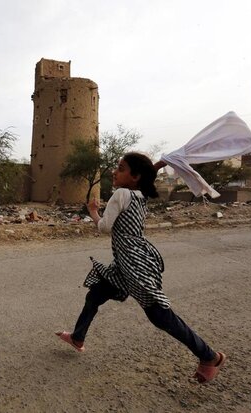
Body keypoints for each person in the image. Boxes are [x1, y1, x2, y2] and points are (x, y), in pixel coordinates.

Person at [55, 152, 226, 384]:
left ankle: (209, 356)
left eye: (121, 168)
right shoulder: (139, 193)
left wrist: (93, 212)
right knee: (95, 294)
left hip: (132, 264)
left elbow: (105, 228)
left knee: (159, 315)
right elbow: (146, 176)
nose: (115, 171)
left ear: (135, 176)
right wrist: (161, 163)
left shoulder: (122, 193)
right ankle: (78, 337)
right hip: (133, 257)